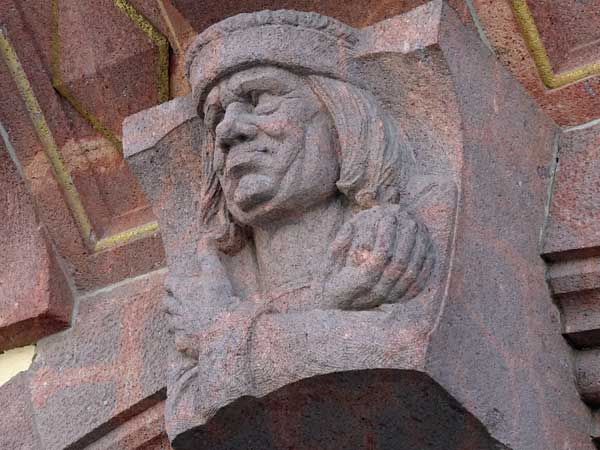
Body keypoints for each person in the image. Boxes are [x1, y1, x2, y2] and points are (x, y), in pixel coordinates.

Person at [164, 10, 455, 440]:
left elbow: (402, 349)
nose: (228, 130)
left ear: (341, 117)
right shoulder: (208, 269)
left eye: (260, 99)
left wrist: (220, 329)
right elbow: (189, 412)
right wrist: (328, 308)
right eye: (215, 116)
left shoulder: (409, 218)